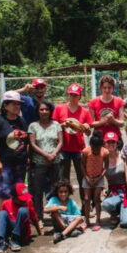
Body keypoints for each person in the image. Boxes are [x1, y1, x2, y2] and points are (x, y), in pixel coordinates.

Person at [52, 83, 92, 212]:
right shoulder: (59, 109)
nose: (73, 97)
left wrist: (85, 128)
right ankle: (65, 207)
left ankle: (85, 206)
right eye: (71, 94)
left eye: (75, 95)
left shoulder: (84, 112)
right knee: (63, 180)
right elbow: (53, 127)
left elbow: (88, 132)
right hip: (64, 148)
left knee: (82, 178)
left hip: (79, 149)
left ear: (80, 96)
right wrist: (62, 125)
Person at [0, 91, 28, 213]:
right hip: (4, 163)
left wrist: (28, 158)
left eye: (18, 104)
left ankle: (18, 219)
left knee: (20, 191)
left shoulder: (21, 121)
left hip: (20, 163)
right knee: (4, 192)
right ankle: (2, 222)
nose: (17, 106)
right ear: (5, 105)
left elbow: (25, 141)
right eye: (13, 104)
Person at [28, 101, 63, 224]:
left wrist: (53, 155)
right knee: (38, 191)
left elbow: (60, 141)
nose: (44, 112)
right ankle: (39, 217)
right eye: (41, 109)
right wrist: (46, 155)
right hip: (39, 163)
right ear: (37, 111)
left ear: (50, 111)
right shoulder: (33, 126)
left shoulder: (56, 124)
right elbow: (32, 143)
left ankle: (56, 215)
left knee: (55, 189)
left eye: (46, 109)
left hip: (55, 161)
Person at [0, 183, 43, 253]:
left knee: (23, 210)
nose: (24, 200)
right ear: (14, 197)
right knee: (2, 213)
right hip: (10, 230)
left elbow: (34, 218)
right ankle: (1, 242)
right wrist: (0, 234)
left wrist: (40, 232)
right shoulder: (6, 203)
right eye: (22, 198)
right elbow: (2, 220)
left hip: (22, 233)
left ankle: (15, 239)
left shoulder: (28, 201)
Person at [101, 132, 127, 228]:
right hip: (113, 192)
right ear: (104, 144)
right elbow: (99, 176)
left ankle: (125, 210)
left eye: (113, 142)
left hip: (126, 192)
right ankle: (114, 213)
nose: (111, 144)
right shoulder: (102, 159)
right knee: (106, 204)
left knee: (126, 223)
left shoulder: (123, 156)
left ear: (117, 143)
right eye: (108, 142)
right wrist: (103, 188)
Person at [80, 131, 109, 231]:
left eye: (97, 149)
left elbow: (106, 167)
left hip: (99, 178)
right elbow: (82, 165)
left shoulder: (105, 152)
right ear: (90, 145)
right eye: (94, 149)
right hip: (87, 177)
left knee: (97, 199)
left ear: (101, 146)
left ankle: (98, 220)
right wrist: (87, 178)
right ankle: (87, 220)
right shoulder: (86, 151)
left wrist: (99, 178)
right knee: (87, 198)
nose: (95, 151)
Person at [88, 75, 125, 149]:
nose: (107, 90)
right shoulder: (93, 102)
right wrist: (103, 121)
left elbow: (122, 123)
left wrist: (113, 120)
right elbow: (91, 123)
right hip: (99, 138)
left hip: (115, 137)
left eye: (109, 87)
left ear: (113, 88)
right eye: (104, 87)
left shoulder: (119, 102)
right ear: (101, 88)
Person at [44, 179, 84, 244]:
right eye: (61, 192)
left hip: (69, 222)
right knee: (54, 208)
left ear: (69, 192)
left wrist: (80, 220)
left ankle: (62, 234)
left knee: (79, 218)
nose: (63, 194)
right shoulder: (53, 199)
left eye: (65, 192)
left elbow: (78, 216)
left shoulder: (71, 202)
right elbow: (45, 210)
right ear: (57, 192)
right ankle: (68, 230)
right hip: (59, 222)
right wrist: (59, 207)